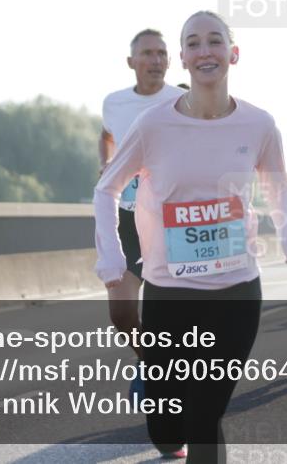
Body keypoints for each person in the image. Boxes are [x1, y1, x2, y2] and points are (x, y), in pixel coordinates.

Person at [94, 11, 287, 462]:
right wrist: (111, 257)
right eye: (193, 43)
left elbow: (278, 187)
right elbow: (107, 187)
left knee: (205, 414)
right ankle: (166, 427)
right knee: (168, 423)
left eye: (215, 41)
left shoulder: (259, 124)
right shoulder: (154, 125)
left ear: (233, 53)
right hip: (169, 293)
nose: (205, 50)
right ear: (185, 59)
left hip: (236, 291)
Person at [99, 29, 183, 401]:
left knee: (173, 318)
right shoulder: (114, 103)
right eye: (147, 53)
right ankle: (151, 362)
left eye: (162, 53)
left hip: (172, 223)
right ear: (131, 62)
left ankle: (175, 386)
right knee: (121, 313)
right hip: (128, 219)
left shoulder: (183, 99)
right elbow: (105, 134)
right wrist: (106, 166)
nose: (156, 60)